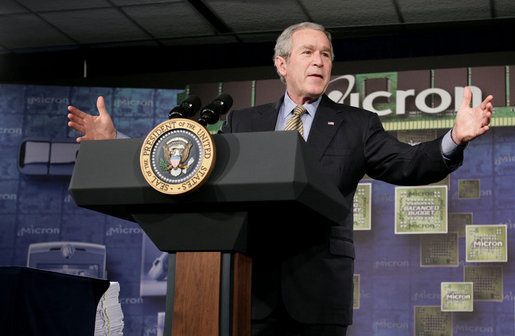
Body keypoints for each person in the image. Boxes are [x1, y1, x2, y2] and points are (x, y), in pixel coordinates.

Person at [67, 22, 493, 336]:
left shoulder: (357, 124)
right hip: (248, 290)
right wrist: (116, 142)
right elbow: (189, 166)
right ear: (281, 63)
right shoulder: (244, 121)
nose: (319, 61)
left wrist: (454, 137)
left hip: (319, 293)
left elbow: (410, 164)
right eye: (308, 52)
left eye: (326, 54)